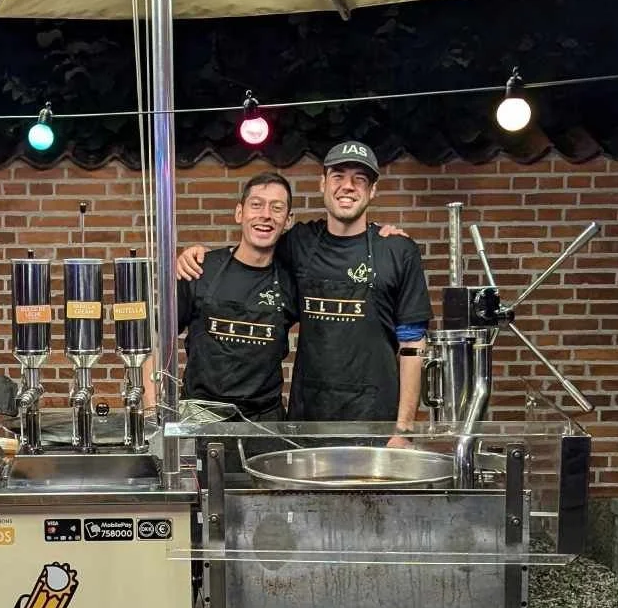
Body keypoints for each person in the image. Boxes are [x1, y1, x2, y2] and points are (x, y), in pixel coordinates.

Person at [177, 142, 430, 438]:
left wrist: (403, 429)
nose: (347, 186)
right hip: (306, 421)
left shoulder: (398, 250)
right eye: (338, 176)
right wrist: (196, 254)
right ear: (323, 184)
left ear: (372, 190)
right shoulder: (299, 242)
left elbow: (413, 343)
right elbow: (252, 244)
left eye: (359, 179)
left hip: (375, 419)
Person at [147, 172, 300, 421]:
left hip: (264, 424)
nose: (266, 215)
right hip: (199, 418)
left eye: (277, 207)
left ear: (289, 220)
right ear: (239, 213)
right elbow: (154, 336)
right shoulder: (200, 269)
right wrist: (151, 412)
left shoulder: (292, 281)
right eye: (256, 204)